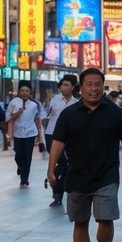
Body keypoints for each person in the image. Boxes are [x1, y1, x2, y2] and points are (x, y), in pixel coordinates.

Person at [46, 68, 122, 242]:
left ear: (103, 86)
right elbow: (58, 142)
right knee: (80, 223)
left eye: (98, 84)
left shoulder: (115, 112)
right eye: (89, 84)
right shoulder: (69, 114)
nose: (94, 89)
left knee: (106, 219)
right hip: (77, 175)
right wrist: (51, 169)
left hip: (106, 174)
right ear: (81, 87)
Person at [45, 76, 79, 206]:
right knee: (61, 163)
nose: (63, 88)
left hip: (68, 137)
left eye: (66, 85)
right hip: (52, 134)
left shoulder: (76, 102)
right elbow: (48, 115)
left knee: (65, 165)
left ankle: (58, 192)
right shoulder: (55, 100)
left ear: (73, 87)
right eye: (62, 85)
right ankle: (56, 188)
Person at [6, 83, 43, 188]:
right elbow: (7, 118)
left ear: (30, 92)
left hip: (30, 133)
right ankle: (20, 166)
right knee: (18, 155)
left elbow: (37, 119)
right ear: (19, 92)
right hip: (18, 133)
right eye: (22, 91)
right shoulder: (14, 103)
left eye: (26, 91)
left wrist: (40, 137)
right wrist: (17, 113)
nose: (24, 93)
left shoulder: (34, 105)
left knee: (28, 156)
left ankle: (24, 179)